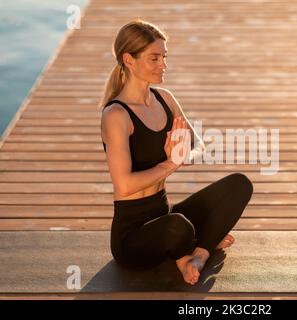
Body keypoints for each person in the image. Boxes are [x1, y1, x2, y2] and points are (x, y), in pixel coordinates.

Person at [99, 20, 253, 285]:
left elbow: (198, 145)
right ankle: (197, 245)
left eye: (164, 57)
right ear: (129, 59)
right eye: (154, 58)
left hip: (164, 212)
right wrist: (172, 163)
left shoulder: (165, 99)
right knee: (179, 226)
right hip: (133, 238)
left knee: (239, 184)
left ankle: (199, 254)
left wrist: (183, 153)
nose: (163, 65)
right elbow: (123, 186)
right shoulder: (116, 115)